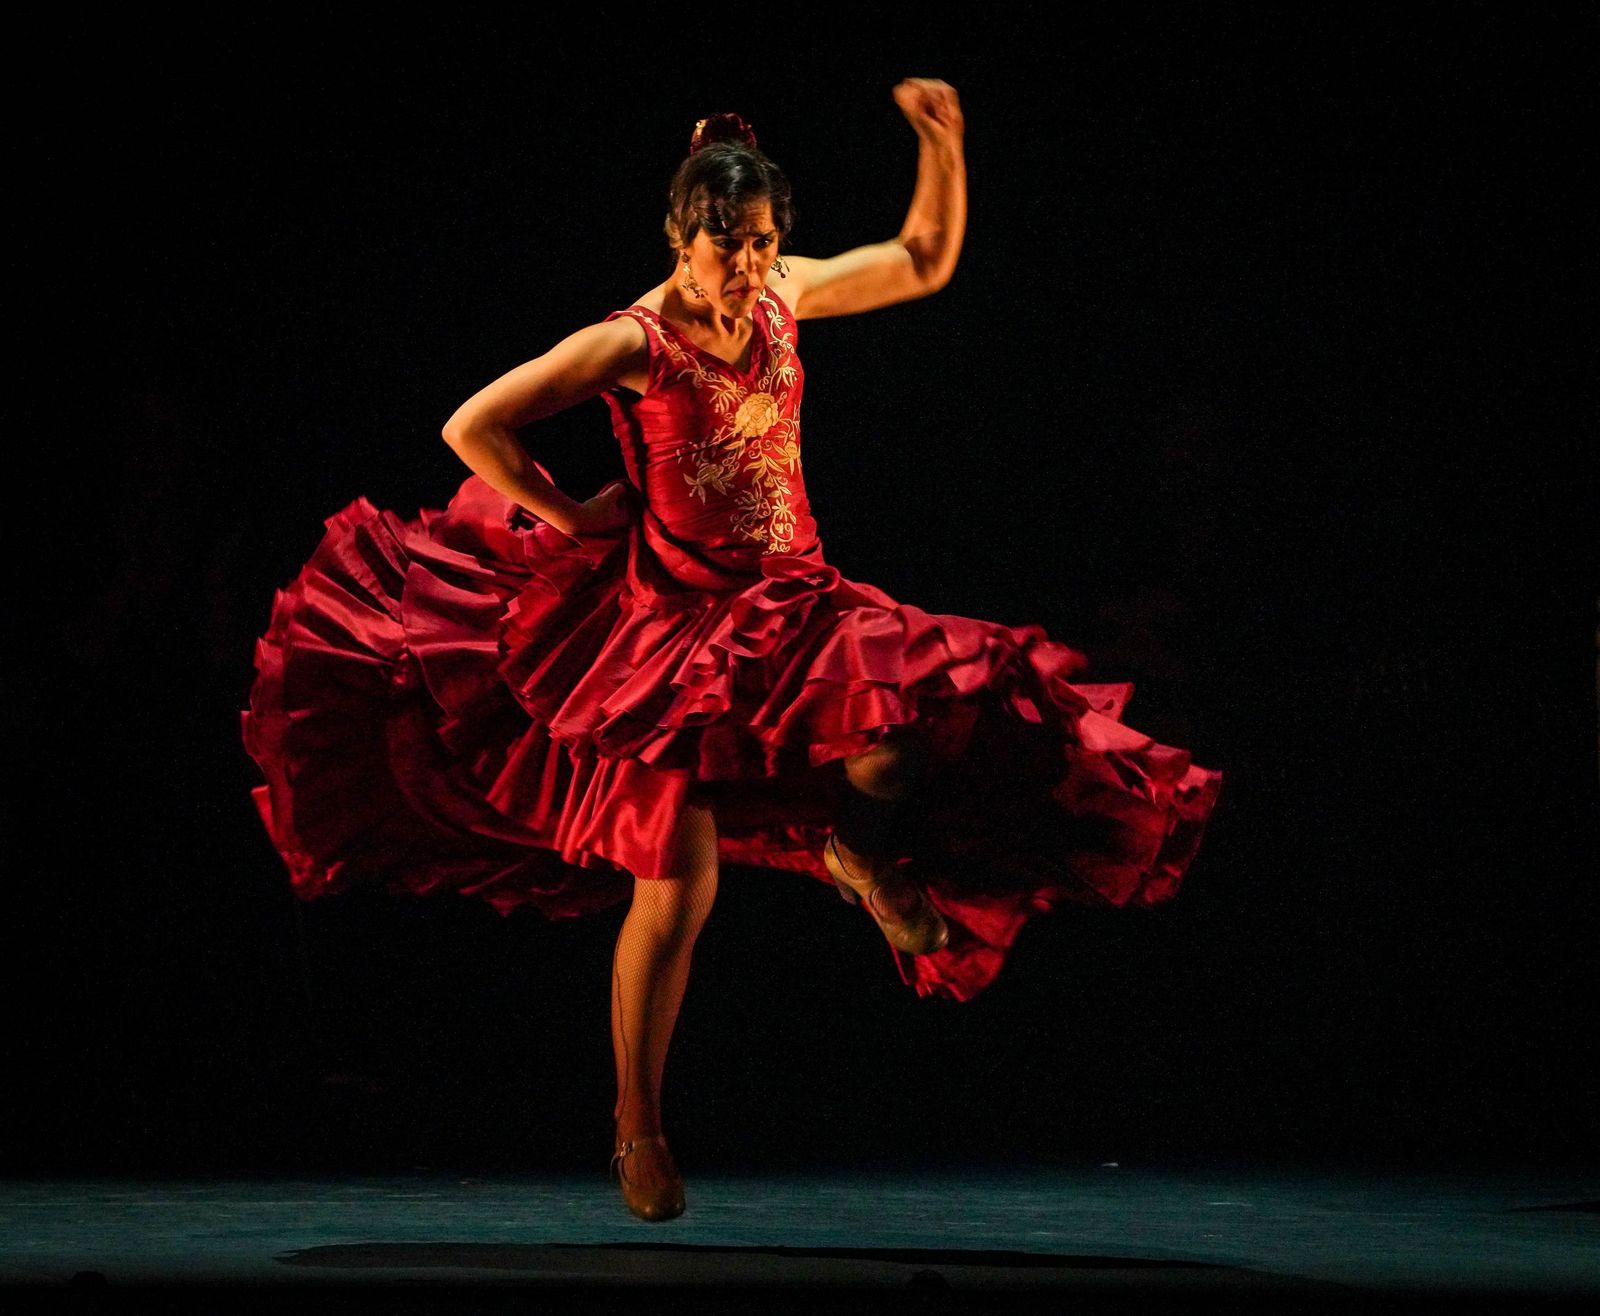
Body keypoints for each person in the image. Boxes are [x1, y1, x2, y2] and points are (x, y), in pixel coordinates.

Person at [242, 79, 1222, 1223]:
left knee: (902, 726)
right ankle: (637, 1126)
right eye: (725, 245)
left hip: (796, 599)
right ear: (680, 234)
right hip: (668, 632)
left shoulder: (783, 299)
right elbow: (473, 424)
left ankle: (856, 851)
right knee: (679, 879)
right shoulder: (634, 340)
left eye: (761, 244)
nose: (746, 265)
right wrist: (571, 515)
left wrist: (942, 145)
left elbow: (918, 259)